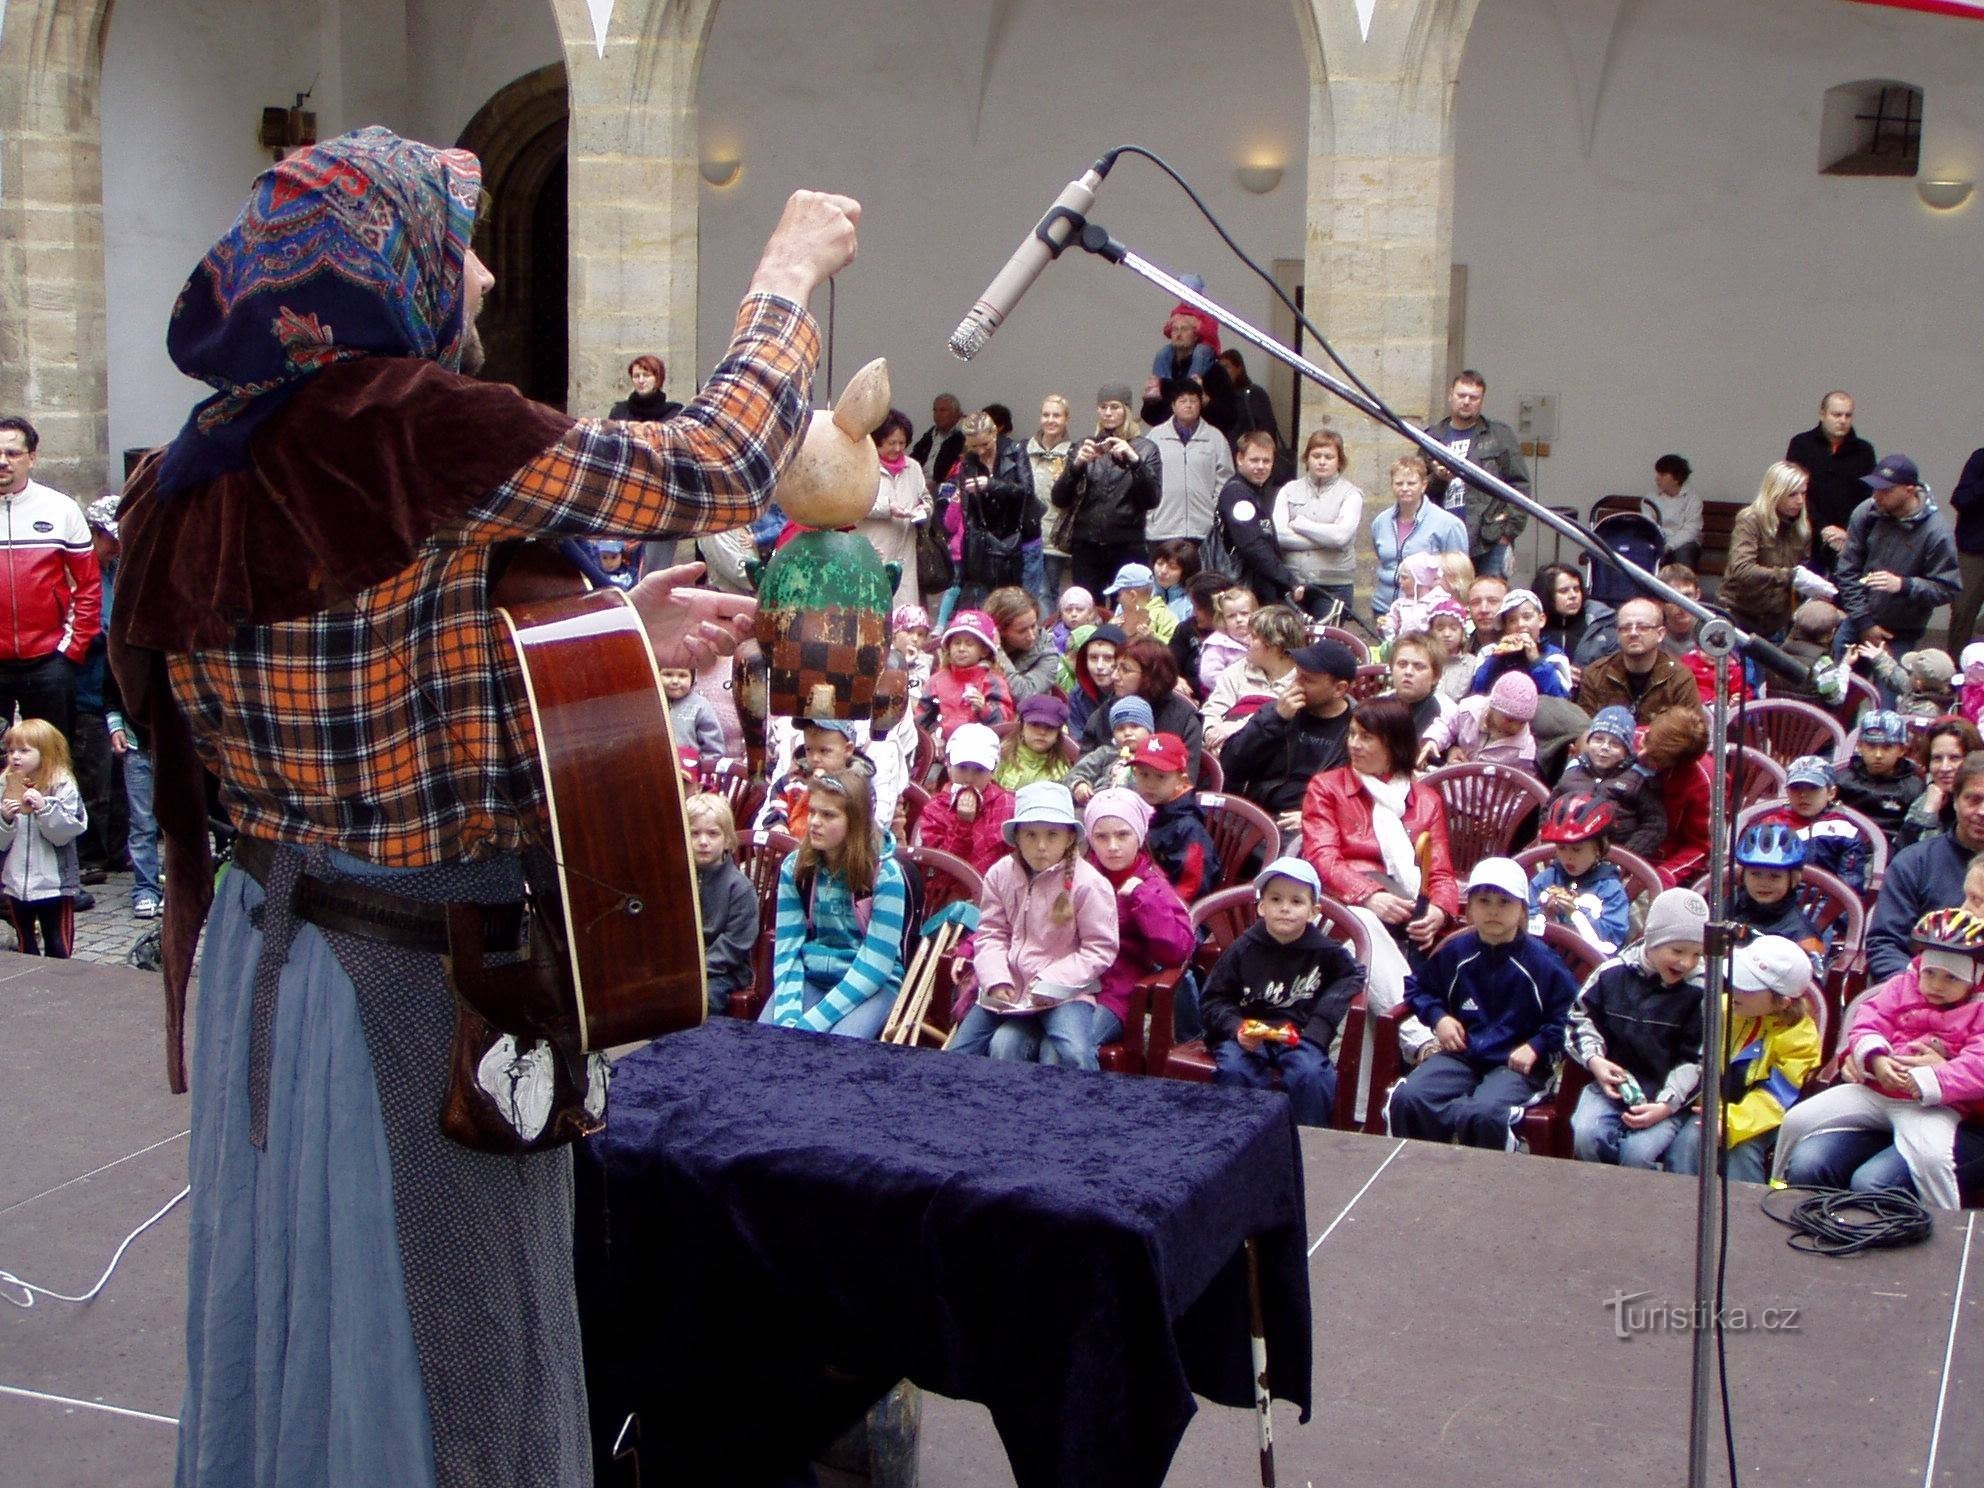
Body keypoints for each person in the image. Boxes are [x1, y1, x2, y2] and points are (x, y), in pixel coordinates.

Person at [107, 127, 857, 1486]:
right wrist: (787, 277)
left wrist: (615, 630)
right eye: (454, 239)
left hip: (269, 979)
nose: (487, 273)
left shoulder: (187, 470)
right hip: (415, 986)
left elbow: (362, 685)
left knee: (295, 1316)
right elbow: (709, 471)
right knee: (453, 1348)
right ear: (379, 263)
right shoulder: (409, 427)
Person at [1778, 907, 1984, 1206]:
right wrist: (1873, 1056)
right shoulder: (1902, 986)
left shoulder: (1978, 1009)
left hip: (1935, 1104)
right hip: (1878, 1088)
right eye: (1930, 973)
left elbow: (1978, 1063)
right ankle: (1780, 1193)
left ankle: (1947, 1232)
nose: (1937, 985)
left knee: (1925, 1160)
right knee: (1799, 1124)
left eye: (1951, 979)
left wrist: (1932, 1078)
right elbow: (1868, 1019)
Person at [1387, 856, 1575, 1149]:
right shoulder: (1456, 952)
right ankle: (1420, 1174)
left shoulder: (1542, 963)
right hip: (1463, 1054)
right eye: (1484, 901)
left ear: (1523, 910)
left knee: (1485, 1113)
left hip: (1518, 1065)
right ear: (1470, 909)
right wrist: (1439, 1018)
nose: (1493, 911)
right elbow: (1418, 989)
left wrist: (1537, 1045)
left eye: (1504, 902)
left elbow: (1570, 1014)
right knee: (1410, 1097)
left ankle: (1485, 1184)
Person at [948, 781, 1119, 1070]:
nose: (1041, 846)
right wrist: (997, 978)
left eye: (1052, 835)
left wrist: (1051, 982)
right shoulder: (1000, 874)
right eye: (1030, 835)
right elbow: (991, 932)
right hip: (1009, 987)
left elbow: (1099, 948)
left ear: (1069, 839)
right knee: (960, 1050)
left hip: (1065, 992)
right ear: (1016, 837)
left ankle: (1088, 1110)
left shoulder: (1089, 884)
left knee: (1075, 1052)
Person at [1202, 856, 1363, 1127]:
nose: (1285, 908)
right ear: (1261, 907)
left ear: (1314, 911)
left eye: (1296, 901)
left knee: (1311, 1075)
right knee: (1235, 1071)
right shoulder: (1243, 949)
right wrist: (1236, 1028)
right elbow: (1213, 999)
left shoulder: (1326, 952)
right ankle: (1241, 1141)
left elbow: (1351, 977)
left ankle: (1308, 1144)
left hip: (1299, 1035)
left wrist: (1317, 1031)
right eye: (1275, 900)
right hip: (1248, 1036)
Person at [1565, 887, 1710, 1169]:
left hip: (1668, 1098)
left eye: (1696, 954)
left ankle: (1642, 1208)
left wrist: (1667, 1105)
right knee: (1586, 1134)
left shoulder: (1699, 991)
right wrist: (1595, 1060)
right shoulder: (1612, 975)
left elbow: (1698, 1059)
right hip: (1614, 1087)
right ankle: (1597, 1197)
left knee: (1638, 1154)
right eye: (1677, 950)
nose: (1686, 962)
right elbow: (1580, 1018)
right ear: (1652, 940)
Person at [1301, 696, 1458, 950]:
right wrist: (1369, 895)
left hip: (1407, 911)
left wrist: (1439, 911)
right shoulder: (1326, 788)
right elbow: (1322, 857)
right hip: (1344, 904)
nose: (1354, 744)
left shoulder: (1427, 801)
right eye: (1351, 734)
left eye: (1366, 737)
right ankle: (1400, 987)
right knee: (1366, 924)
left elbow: (1440, 873)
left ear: (1394, 744)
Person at [764, 768, 909, 1040]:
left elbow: (876, 964)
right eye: (812, 811)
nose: (815, 822)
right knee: (769, 1039)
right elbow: (787, 950)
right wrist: (787, 1017)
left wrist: (813, 1022)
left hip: (871, 984)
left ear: (854, 822)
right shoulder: (794, 868)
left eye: (828, 815)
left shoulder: (886, 875)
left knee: (835, 1047)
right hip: (812, 974)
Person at [1665, 935, 1820, 1183]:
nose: (1734, 989)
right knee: (1688, 1144)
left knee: (1740, 1151)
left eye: (1747, 987)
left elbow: (1775, 1097)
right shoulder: (1722, 1008)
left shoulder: (1799, 1038)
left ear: (1782, 1001)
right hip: (1708, 1106)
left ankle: (1744, 1214)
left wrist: (1729, 1123)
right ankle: (1680, 1207)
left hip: (1762, 1118)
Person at [0, 416, 102, 742]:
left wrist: (70, 652)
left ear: (32, 457)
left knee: (50, 763)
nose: (3, 461)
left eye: (13, 453)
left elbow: (88, 586)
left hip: (48, 662)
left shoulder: (61, 509)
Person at [1081, 788, 1196, 1053]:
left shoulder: (1151, 884)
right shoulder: (1081, 876)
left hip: (1118, 991)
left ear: (1139, 835)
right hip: (1074, 983)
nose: (1112, 846)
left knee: (1079, 1042)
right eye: (1101, 837)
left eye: (1123, 835)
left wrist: (1141, 898)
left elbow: (1178, 950)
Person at [1868, 752, 1984, 982]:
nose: (1982, 812)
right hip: (1922, 997)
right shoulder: (1915, 862)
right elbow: (1885, 945)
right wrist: (1918, 991)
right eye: (1973, 799)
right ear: (1954, 800)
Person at [1225, 638, 1360, 830]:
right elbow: (1231, 764)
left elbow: (1364, 794)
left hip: (1316, 825)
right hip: (1260, 813)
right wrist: (1275, 721)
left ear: (1339, 689)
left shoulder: (1361, 729)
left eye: (1308, 680)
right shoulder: (1276, 712)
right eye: (1297, 675)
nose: (1296, 685)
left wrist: (1315, 815)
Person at [1834, 454, 1961, 655]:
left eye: (1886, 490)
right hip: (1857, 622)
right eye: (1875, 488)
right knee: (1839, 685)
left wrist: (1904, 585)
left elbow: (1947, 588)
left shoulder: (1936, 533)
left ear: (1909, 490)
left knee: (1891, 686)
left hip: (1901, 633)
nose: (1877, 495)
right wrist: (1864, 623)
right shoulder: (1867, 513)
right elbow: (1847, 570)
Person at [1051, 385, 1163, 596]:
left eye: (1115, 407)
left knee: (1129, 607)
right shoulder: (1082, 446)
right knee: (1089, 609)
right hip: (1087, 544)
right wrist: (1076, 466)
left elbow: (1152, 500)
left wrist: (1134, 461)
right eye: (1103, 407)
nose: (1108, 413)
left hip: (1127, 544)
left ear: (1127, 410)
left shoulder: (1145, 448)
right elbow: (1059, 499)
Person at [1421, 371, 1530, 577]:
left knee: (1490, 602)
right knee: (1445, 604)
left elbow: (1519, 485)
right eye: (1461, 395)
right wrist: (1439, 478)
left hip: (1489, 539)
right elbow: (1417, 488)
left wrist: (1507, 533)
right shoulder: (1432, 437)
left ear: (1481, 400)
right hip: (1443, 538)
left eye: (1473, 397)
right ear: (1450, 395)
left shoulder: (1499, 435)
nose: (1466, 402)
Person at [0, 716, 86, 957]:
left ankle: (60, 988)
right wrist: (4, 819)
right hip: (17, 884)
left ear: (45, 753)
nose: (15, 756)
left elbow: (69, 831)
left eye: (24, 751)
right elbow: (1, 843)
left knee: (57, 943)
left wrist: (45, 808)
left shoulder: (62, 784)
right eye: (11, 750)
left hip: (54, 885)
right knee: (25, 943)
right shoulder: (4, 784)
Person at [1720, 460, 1825, 640]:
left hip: (1776, 620)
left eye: (1803, 493)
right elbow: (1741, 570)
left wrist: (1814, 588)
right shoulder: (1750, 519)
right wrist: (1790, 575)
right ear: (1775, 493)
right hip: (1739, 614)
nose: (1800, 501)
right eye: (1792, 494)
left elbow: (1802, 570)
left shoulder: (1802, 528)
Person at [1074, 634, 1203, 770]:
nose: (1114, 676)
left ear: (1151, 676)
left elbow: (1185, 781)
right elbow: (1082, 765)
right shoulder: (1108, 711)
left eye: (1125, 670)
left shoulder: (1184, 719)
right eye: (1116, 667)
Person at [1553, 706, 1666, 857]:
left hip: (1616, 857)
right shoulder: (1573, 771)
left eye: (1615, 744)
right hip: (1570, 853)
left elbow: (1655, 824)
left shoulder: (1636, 780)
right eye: (1598, 739)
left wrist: (1625, 856)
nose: (1604, 747)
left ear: (1626, 752)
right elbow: (1549, 809)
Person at [1273, 428, 1363, 619]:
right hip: (1292, 581)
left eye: (1329, 457)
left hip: (1334, 586)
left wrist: (1302, 525)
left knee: (1325, 643)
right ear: (1307, 458)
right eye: (1316, 455)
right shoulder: (1288, 491)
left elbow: (1341, 537)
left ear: (1339, 461)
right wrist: (1326, 537)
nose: (1322, 461)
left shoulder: (1351, 495)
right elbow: (1278, 536)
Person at [1211, 430, 1307, 607]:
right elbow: (1252, 545)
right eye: (1254, 460)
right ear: (1240, 459)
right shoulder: (1237, 494)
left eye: (1266, 461)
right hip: (1246, 588)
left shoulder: (1254, 491)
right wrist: (1288, 580)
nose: (1261, 466)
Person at [1785, 390, 1876, 576]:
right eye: (1836, 414)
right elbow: (1793, 491)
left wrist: (1846, 533)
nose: (1842, 420)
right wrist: (1823, 528)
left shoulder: (1864, 451)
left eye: (1848, 415)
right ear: (1822, 414)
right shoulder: (1801, 445)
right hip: (1806, 534)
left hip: (1848, 539)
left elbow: (1867, 499)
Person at [1527, 793, 1631, 955]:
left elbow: (1613, 938)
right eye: (1561, 848)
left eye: (1577, 849)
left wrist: (1575, 914)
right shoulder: (1545, 879)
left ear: (1598, 848)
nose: (1568, 857)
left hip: (1585, 964)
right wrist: (1546, 913)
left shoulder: (1611, 889)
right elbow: (1524, 922)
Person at [952, 412, 1036, 611]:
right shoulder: (967, 463)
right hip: (984, 542)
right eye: (973, 446)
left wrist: (992, 485)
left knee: (1015, 603)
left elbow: (1027, 491)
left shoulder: (1015, 451)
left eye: (985, 444)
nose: (980, 451)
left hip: (1017, 536)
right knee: (983, 602)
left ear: (994, 434)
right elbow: (967, 513)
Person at [1753, 755, 1872, 893]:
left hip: (1824, 904)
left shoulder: (1845, 831)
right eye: (1796, 788)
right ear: (1787, 792)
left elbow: (1850, 885)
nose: (1803, 795)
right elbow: (1755, 876)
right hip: (1777, 902)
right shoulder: (1770, 826)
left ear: (1831, 793)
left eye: (1813, 788)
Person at [1573, 598, 1702, 723]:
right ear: (1617, 634)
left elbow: (1691, 733)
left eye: (1643, 627)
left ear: (1661, 634)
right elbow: (1584, 731)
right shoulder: (1595, 674)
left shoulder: (1679, 678)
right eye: (1625, 628)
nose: (1633, 633)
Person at [686, 792, 757, 1015]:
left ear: (727, 839)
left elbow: (735, 944)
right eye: (694, 833)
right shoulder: (679, 881)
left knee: (698, 1000)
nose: (703, 841)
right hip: (687, 968)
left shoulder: (739, 888)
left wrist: (697, 970)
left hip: (726, 971)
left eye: (713, 834)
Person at [1372, 453, 1468, 619]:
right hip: (1384, 608)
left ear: (1423, 485)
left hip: (1427, 611)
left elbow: (1459, 574)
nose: (1405, 488)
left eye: (1411, 483)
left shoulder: (1448, 524)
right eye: (1399, 483)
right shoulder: (1380, 522)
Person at [1146, 377, 1235, 554]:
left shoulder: (1214, 437)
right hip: (1163, 526)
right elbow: (1146, 479)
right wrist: (1152, 513)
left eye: (1193, 400)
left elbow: (1226, 478)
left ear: (1200, 404)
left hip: (1203, 527)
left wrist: (1214, 507)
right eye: (1182, 401)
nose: (1188, 405)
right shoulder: (1155, 437)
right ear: (1173, 405)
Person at [1131, 732, 1223, 902]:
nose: (1150, 784)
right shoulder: (1135, 810)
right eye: (1143, 774)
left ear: (1181, 780)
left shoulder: (1189, 828)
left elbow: (1193, 886)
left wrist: (1158, 903)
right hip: (1137, 895)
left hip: (1173, 909)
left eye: (1160, 776)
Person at [1203, 605, 1304, 752]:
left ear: (1275, 645)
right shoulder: (1237, 671)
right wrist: (1211, 733)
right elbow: (1211, 710)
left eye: (1254, 636)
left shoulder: (1303, 680)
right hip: (1225, 753)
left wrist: (1237, 729)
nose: (1246, 640)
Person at [1727, 823, 1827, 971]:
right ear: (1742, 875)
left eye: (1775, 876)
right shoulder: (1729, 906)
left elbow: (1810, 986)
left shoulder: (1802, 933)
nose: (1763, 883)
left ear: (1794, 879)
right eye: (1755, 874)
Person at [917, 722, 1014, 873]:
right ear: (948, 765)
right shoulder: (935, 809)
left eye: (979, 770)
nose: (969, 777)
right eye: (962, 767)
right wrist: (962, 825)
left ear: (993, 770)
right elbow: (938, 868)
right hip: (948, 891)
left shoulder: (1005, 804)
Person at [755, 718, 874, 837]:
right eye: (809, 749)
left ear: (847, 749)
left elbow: (860, 830)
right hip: (791, 850)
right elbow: (778, 804)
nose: (815, 758)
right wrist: (778, 824)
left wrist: (824, 785)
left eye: (824, 751)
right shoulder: (793, 782)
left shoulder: (858, 789)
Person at [860, 407, 929, 608]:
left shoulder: (913, 467)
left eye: (902, 443)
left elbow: (925, 497)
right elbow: (855, 505)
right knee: (872, 608)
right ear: (876, 441)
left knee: (904, 612)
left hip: (905, 552)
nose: (898, 448)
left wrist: (924, 508)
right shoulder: (862, 466)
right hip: (874, 549)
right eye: (892, 443)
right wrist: (887, 508)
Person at [1417, 669, 1539, 772]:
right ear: (1493, 707)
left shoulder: (1524, 749)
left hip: (1489, 797)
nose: (1516, 727)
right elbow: (1447, 725)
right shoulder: (1469, 710)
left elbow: (1522, 785)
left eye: (1523, 722)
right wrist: (1434, 740)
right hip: (1453, 783)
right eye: (1510, 720)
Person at [922, 609, 1015, 738]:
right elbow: (921, 717)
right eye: (956, 643)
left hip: (981, 746)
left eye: (969, 644)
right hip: (942, 746)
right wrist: (931, 737)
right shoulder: (936, 681)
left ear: (984, 651)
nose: (961, 649)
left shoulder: (993, 682)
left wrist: (985, 709)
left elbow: (1004, 720)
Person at [1836, 709, 1924, 844]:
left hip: (1892, 849)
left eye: (1887, 747)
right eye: (1871, 746)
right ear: (1859, 746)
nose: (1878, 754)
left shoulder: (1913, 787)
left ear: (1902, 750)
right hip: (1845, 844)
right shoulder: (1843, 780)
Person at [1471, 587, 1573, 699]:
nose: (1520, 624)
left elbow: (1560, 698)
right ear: (1505, 627)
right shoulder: (1489, 653)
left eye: (1527, 617)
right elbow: (1477, 692)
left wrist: (1537, 661)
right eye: (1512, 620)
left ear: (1541, 620)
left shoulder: (1555, 656)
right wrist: (1496, 658)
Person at [1900, 717, 1983, 849]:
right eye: (1937, 758)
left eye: (1955, 758)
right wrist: (1928, 813)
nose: (1945, 768)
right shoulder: (1921, 799)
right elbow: (1904, 855)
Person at [1028, 395, 1075, 605]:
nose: (1050, 420)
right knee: (1029, 591)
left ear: (1066, 419)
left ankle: (1047, 636)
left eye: (1057, 415)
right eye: (1046, 415)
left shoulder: (1073, 453)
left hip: (1055, 536)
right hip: (1028, 535)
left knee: (1047, 591)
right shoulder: (1024, 451)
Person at [1068, 696, 1153, 805]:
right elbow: (1077, 771)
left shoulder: (1155, 757)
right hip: (1099, 804)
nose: (1127, 733)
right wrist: (1079, 784)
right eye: (1120, 728)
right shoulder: (1106, 753)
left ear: (1150, 731)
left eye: (1134, 726)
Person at [984, 586, 1059, 702]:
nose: (1032, 636)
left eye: (1033, 626)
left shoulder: (1047, 649)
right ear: (1000, 631)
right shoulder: (980, 646)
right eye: (1022, 631)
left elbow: (1026, 694)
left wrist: (999, 653)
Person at [995, 693, 1073, 791]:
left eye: (1050, 727)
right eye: (1034, 724)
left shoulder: (1060, 770)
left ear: (1058, 734)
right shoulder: (1002, 757)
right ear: (1022, 727)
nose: (1042, 732)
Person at [1948, 444, 1984, 653]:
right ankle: (1954, 673)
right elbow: (1960, 499)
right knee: (1962, 611)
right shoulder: (1980, 459)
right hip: (1974, 551)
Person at [1062, 622, 1125, 737]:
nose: (1099, 666)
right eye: (1093, 658)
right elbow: (1078, 742)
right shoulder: (1078, 695)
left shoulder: (1138, 694)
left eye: (1108, 658)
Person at [1385, 631, 1452, 737]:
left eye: (1419, 666)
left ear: (1435, 676)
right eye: (1402, 664)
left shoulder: (1445, 715)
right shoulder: (1380, 705)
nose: (1408, 672)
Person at [1196, 586, 1256, 694]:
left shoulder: (1262, 639)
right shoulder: (1217, 644)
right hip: (1228, 695)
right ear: (1223, 620)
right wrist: (1238, 688)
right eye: (1231, 616)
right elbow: (1209, 675)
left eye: (1244, 613)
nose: (1239, 620)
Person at [661, 664, 726, 764]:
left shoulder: (700, 706)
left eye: (682, 676)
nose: (674, 681)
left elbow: (713, 748)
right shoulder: (652, 704)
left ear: (692, 678)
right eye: (668, 675)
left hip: (691, 772)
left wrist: (704, 771)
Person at [1648, 454, 1702, 569]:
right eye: (1657, 474)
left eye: (1662, 475)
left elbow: (1691, 530)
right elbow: (1648, 524)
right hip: (1659, 541)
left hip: (1683, 542)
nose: (1657, 478)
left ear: (1677, 478)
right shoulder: (1650, 498)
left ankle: (1681, 586)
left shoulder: (1692, 498)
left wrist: (1669, 546)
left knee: (1684, 552)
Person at [1104, 561, 1178, 644]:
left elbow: (1176, 646)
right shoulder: (1120, 611)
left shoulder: (1164, 617)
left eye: (1119, 594)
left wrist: (1152, 637)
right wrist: (1109, 630)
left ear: (1133, 596)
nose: (1117, 599)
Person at [912, 392, 966, 491]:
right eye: (935, 410)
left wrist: (936, 483)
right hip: (919, 481)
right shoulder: (930, 434)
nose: (937, 415)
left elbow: (955, 470)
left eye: (943, 410)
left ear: (956, 413)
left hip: (942, 486)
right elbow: (914, 457)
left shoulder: (961, 437)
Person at [607, 353, 682, 422]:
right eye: (636, 376)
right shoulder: (619, 411)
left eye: (646, 375)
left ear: (658, 379)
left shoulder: (674, 413)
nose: (641, 380)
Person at [1463, 574, 1510, 653]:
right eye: (1476, 602)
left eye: (1493, 601)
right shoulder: (1459, 651)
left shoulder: (1524, 650)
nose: (1484, 609)